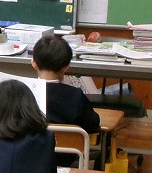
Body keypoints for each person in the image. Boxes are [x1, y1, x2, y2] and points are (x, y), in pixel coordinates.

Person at [31, 34, 100, 165]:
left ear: (33, 63)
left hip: (29, 158)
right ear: (66, 68)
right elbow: (93, 123)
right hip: (65, 159)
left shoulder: (21, 93)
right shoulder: (75, 96)